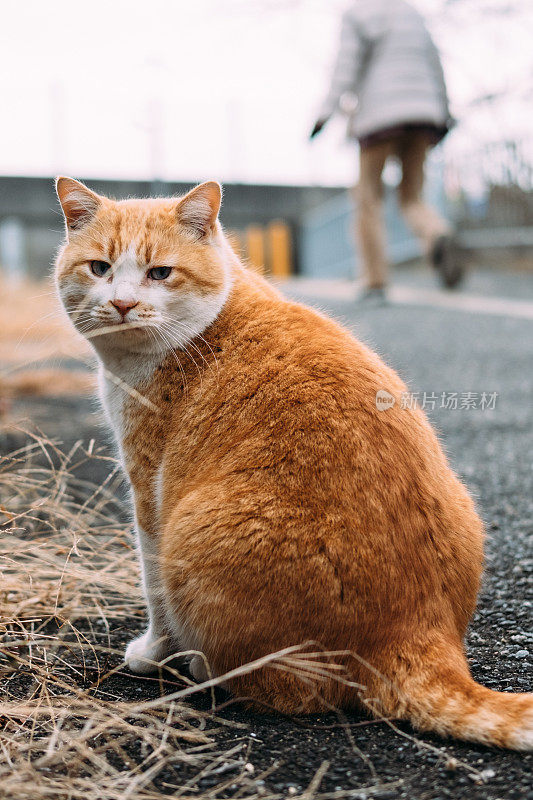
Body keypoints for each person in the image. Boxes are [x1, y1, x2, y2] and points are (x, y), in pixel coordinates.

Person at [311, 0, 463, 302]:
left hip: (378, 118)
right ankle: (437, 234)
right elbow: (435, 64)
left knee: (367, 198)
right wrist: (444, 113)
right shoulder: (411, 12)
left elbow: (346, 68)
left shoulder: (357, 14)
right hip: (424, 114)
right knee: (412, 196)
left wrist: (324, 114)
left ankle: (375, 280)